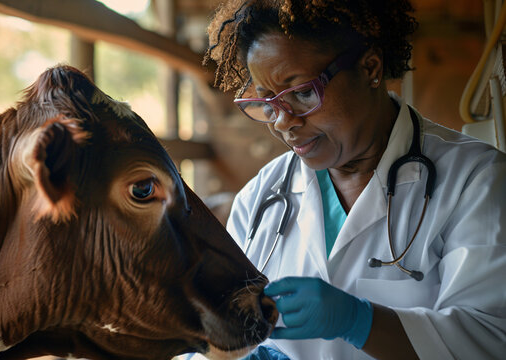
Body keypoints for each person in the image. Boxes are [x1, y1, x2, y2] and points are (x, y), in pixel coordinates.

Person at [198, 0, 506, 359]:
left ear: (370, 68)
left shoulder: (476, 180)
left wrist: (360, 321)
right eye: (268, 102)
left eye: (302, 93)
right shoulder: (261, 196)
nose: (283, 122)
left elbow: (490, 341)